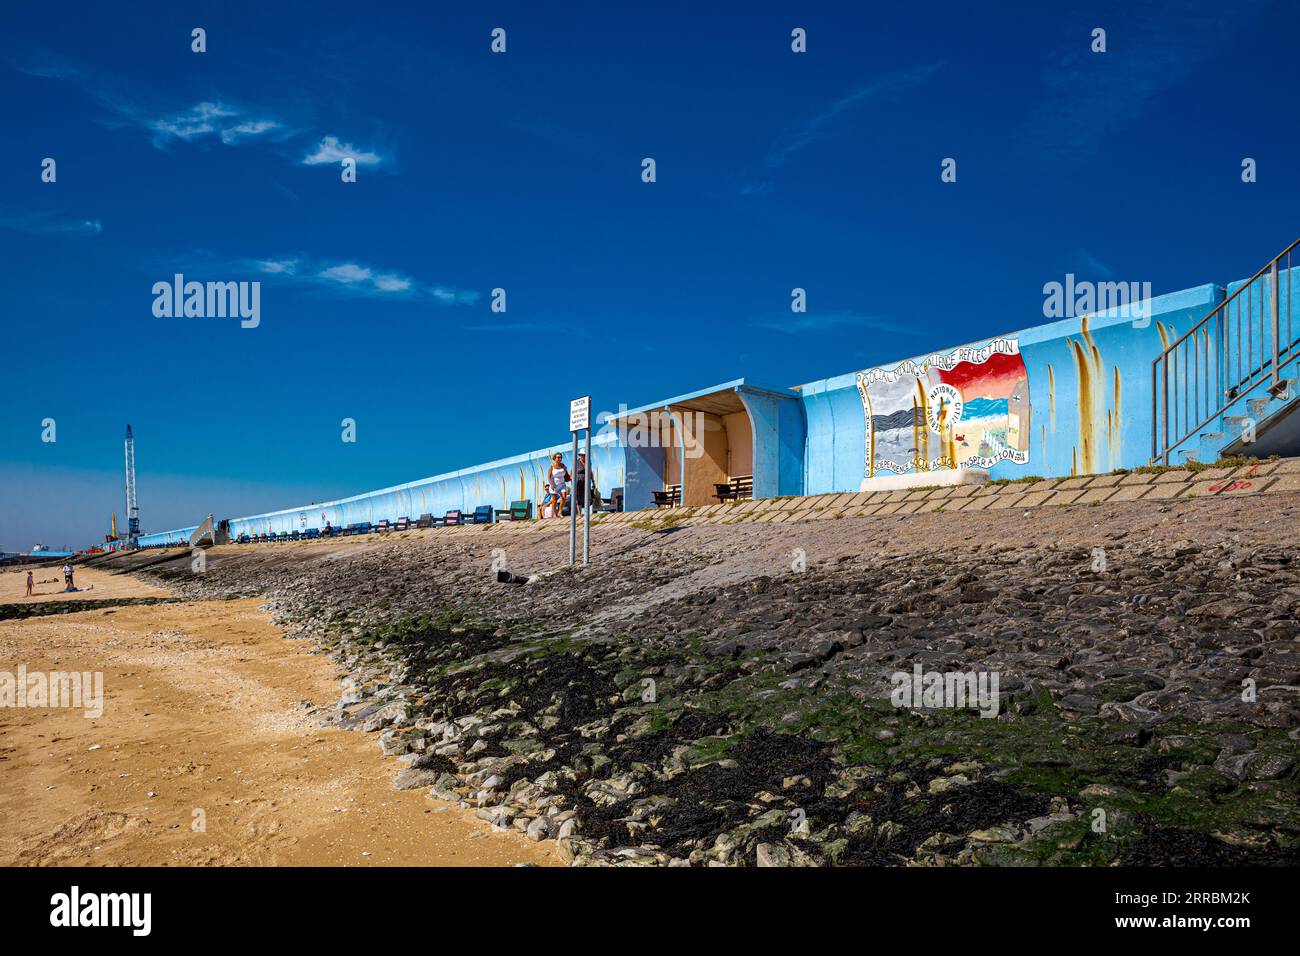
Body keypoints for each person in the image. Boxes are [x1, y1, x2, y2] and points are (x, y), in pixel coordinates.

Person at [542, 452, 570, 519]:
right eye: (558, 457)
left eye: (560, 457)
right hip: (554, 485)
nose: (560, 459)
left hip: (562, 484)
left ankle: (560, 512)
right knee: (554, 500)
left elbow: (566, 474)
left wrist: (569, 477)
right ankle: (554, 514)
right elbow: (549, 476)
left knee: (564, 497)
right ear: (555, 458)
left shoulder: (563, 466)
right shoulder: (551, 466)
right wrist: (551, 484)